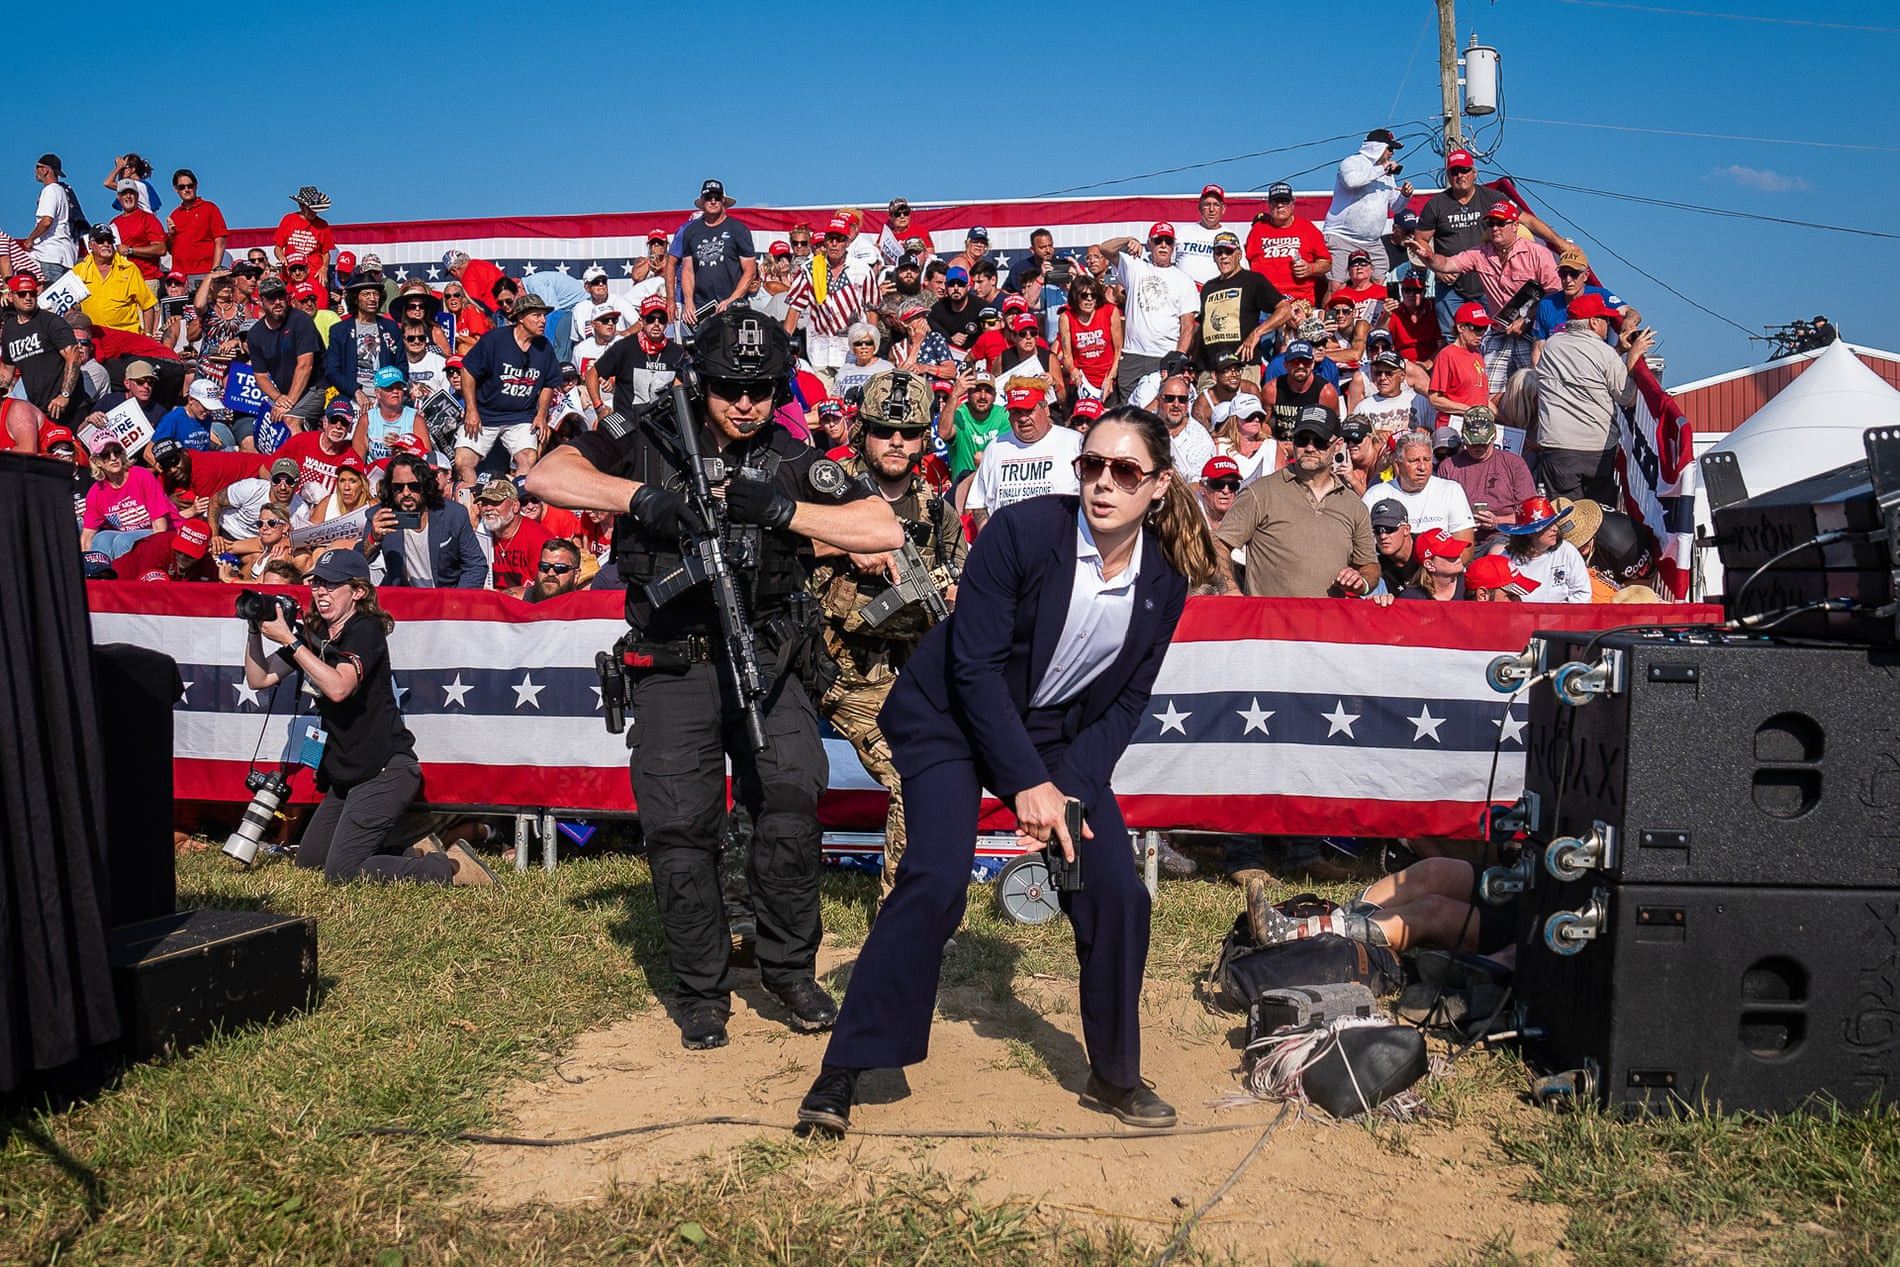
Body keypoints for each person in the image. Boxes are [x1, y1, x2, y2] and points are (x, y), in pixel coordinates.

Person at [797, 406, 1216, 1135]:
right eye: (1092, 465)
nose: (1104, 482)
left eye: (1125, 471)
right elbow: (974, 668)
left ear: (1158, 484)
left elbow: (1126, 700)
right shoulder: (1023, 532)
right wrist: (1027, 783)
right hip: (952, 718)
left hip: (1056, 739)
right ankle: (845, 1067)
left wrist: (1066, 787)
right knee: (934, 877)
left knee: (1116, 890)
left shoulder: (1165, 577)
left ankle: (1116, 1074)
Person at [524, 308, 901, 1051]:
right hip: (673, 664)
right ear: (702, 381)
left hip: (768, 661)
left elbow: (881, 528)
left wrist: (788, 511)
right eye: (731, 387)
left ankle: (789, 970)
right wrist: (640, 498)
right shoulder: (649, 436)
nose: (746, 404)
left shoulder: (789, 454)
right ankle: (701, 990)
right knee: (680, 827)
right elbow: (546, 475)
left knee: (790, 804)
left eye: (761, 389)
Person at [805, 371, 966, 908]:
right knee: (777, 781)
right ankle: (749, 908)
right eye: (883, 430)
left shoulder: (936, 511)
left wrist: (952, 594)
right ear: (863, 431)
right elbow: (774, 544)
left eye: (909, 433)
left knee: (913, 774)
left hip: (878, 677)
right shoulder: (825, 486)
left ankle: (903, 914)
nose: (897, 442)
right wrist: (847, 543)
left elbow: (958, 582)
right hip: (807, 659)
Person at [243, 548, 493, 887]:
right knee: (311, 860)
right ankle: (412, 852)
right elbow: (259, 679)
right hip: (346, 774)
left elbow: (339, 688)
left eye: (332, 585)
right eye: (316, 583)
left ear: (358, 591)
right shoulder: (315, 635)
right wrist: (254, 630)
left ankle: (448, 867)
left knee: (341, 873)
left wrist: (289, 640)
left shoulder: (366, 628)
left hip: (383, 770)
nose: (321, 592)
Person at [1212, 406, 1377, 598]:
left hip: (1328, 616)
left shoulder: (1354, 505)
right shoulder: (1260, 492)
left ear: (1338, 444)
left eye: (1320, 441)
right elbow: (1219, 545)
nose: (1310, 448)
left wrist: (1362, 582)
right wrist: (1230, 590)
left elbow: (1369, 565)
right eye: (1302, 439)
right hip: (1270, 616)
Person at [1531, 294, 1656, 503]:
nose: (1608, 326)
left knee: (1563, 514)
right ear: (1594, 322)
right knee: (1597, 514)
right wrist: (1632, 356)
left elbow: (1585, 366)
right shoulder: (1604, 353)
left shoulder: (1551, 346)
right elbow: (1627, 398)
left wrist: (1618, 351)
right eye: (1605, 319)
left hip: (1557, 446)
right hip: (1596, 449)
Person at [456, 291, 560, 487]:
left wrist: (541, 415)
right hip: (485, 414)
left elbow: (549, 382)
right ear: (520, 317)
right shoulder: (495, 339)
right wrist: (471, 410)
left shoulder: (544, 347)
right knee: (463, 462)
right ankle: (472, 501)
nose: (543, 320)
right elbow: (468, 371)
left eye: (544, 315)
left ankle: (515, 499)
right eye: (536, 315)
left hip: (521, 416)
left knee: (528, 458)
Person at [965, 379, 1083, 535]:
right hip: (1007, 544)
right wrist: (989, 535)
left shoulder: (1074, 443)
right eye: (1016, 412)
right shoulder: (995, 447)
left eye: (1029, 410)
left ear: (1046, 409)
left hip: (1059, 541)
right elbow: (978, 502)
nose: (1023, 418)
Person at [363, 451, 487, 588]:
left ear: (426, 486)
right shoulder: (381, 516)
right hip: (403, 595)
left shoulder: (453, 514)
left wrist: (456, 598)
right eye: (398, 487)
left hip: (445, 595)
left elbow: (476, 565)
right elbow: (358, 562)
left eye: (414, 486)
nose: (406, 493)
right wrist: (373, 538)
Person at [1099, 224, 1197, 390]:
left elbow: (1187, 326)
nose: (1163, 245)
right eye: (1158, 241)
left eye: (1168, 241)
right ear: (1150, 244)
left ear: (1174, 246)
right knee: (1129, 406)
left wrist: (1178, 357)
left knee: (1159, 404)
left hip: (1164, 356)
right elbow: (1105, 249)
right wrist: (1128, 240)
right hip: (1132, 355)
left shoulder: (1184, 281)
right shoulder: (1135, 267)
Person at [1321, 129, 1414, 284]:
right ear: (1376, 147)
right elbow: (1351, 181)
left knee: (1379, 280)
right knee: (1336, 285)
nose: (1392, 153)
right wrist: (1382, 170)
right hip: (1341, 237)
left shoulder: (1386, 175)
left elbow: (1395, 207)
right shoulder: (1352, 162)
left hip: (1372, 242)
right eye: (1390, 148)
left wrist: (1405, 195)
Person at [1195, 231, 1290, 377]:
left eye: (1228, 251)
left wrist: (1256, 333)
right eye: (1219, 252)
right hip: (1210, 370)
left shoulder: (1253, 280)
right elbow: (1201, 328)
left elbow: (1285, 310)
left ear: (1239, 254)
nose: (1223, 256)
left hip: (1243, 366)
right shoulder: (1208, 287)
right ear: (1214, 257)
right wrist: (1195, 363)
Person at [1434, 406, 1535, 542]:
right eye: (1473, 443)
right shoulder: (1448, 466)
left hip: (1503, 535)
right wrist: (1462, 524)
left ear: (1495, 435)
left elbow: (1531, 513)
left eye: (1484, 442)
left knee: (1498, 549)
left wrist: (1497, 521)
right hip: (1460, 537)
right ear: (1464, 437)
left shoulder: (1514, 463)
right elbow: (1439, 514)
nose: (1479, 447)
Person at [1360, 430, 1475, 542]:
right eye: (1414, 461)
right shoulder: (1375, 495)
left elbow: (1465, 544)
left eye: (1427, 460)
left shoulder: (1451, 491)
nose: (1422, 467)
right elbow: (1362, 541)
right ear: (1398, 464)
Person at [246, 275, 326, 429]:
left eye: (281, 296)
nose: (277, 302)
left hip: (316, 387)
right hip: (286, 393)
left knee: (289, 421)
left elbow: (305, 366)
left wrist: (288, 403)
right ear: (261, 301)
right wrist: (278, 398)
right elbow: (261, 376)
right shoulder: (255, 334)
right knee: (267, 423)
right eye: (271, 298)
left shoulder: (301, 320)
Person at [1, 274, 86, 419]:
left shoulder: (51, 322)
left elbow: (74, 358)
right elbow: (7, 370)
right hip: (38, 408)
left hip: (69, 406)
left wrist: (64, 395)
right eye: (22, 294)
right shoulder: (9, 330)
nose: (28, 298)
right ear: (10, 296)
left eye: (32, 293)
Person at [678, 178, 757, 326]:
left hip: (734, 308)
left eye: (717, 197)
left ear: (723, 200)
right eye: (709, 197)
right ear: (702, 200)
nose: (713, 201)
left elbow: (750, 271)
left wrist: (732, 300)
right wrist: (688, 302)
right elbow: (687, 270)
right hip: (702, 309)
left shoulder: (739, 229)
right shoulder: (690, 232)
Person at [589, 294, 685, 411]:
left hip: (662, 419)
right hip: (627, 419)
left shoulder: (676, 353)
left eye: (662, 319)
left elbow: (679, 391)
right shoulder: (624, 347)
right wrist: (599, 407)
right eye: (650, 319)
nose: (656, 324)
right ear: (642, 321)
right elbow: (592, 374)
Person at [81, 434, 171, 556]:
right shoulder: (96, 492)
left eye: (116, 451)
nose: (113, 458)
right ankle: (99, 569)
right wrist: (87, 562)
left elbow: (160, 528)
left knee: (123, 541)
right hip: (127, 535)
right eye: (105, 455)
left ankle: (126, 569)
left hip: (161, 532)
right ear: (97, 462)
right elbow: (87, 537)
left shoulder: (142, 476)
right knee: (101, 538)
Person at [1244, 182, 1329, 308]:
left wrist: (1311, 268)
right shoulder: (1257, 230)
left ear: (1292, 203)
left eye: (1284, 201)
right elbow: (1245, 264)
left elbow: (1327, 263)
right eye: (1275, 202)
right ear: (1269, 204)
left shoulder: (1307, 228)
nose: (1280, 206)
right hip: (1264, 301)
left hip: (1299, 302)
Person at [1492, 496, 1592, 602]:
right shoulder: (1507, 560)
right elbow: (1502, 597)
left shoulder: (1567, 551)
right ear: (1529, 533)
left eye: (1554, 523)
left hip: (1563, 612)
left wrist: (1558, 611)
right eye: (1547, 525)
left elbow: (1583, 595)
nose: (1555, 528)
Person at [326, 276, 407, 407]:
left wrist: (388, 391)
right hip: (351, 398)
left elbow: (402, 366)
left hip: (386, 397)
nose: (372, 298)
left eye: (375, 294)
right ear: (355, 299)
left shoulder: (391, 327)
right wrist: (356, 392)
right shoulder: (340, 330)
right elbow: (332, 371)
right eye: (366, 294)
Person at [473, 474, 552, 597]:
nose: (488, 508)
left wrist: (501, 596)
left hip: (527, 603)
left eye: (495, 502)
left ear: (515, 506)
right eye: (484, 503)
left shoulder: (538, 537)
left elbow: (546, 588)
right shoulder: (482, 533)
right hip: (490, 600)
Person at [73, 225, 156, 334]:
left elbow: (148, 305)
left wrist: (148, 335)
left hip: (126, 336)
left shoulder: (129, 269)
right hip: (94, 336)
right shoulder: (78, 271)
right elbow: (68, 306)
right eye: (100, 241)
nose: (106, 244)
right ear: (90, 245)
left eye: (109, 240)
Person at [164, 169, 227, 286]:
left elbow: (220, 240)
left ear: (196, 186)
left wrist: (214, 270)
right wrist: (171, 235)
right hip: (179, 275)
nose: (186, 190)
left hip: (203, 272)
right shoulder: (174, 214)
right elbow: (171, 250)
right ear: (176, 189)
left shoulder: (210, 208)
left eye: (190, 186)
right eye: (182, 187)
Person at [273, 187, 336, 293]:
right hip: (292, 273)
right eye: (310, 208)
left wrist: (324, 268)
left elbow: (325, 253)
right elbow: (278, 247)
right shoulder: (289, 219)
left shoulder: (323, 225)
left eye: (315, 209)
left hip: (314, 274)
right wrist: (281, 257)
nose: (313, 212)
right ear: (301, 205)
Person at [524, 538, 586, 602]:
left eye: (560, 568)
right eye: (544, 566)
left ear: (576, 574)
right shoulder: (524, 600)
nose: (550, 573)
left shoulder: (584, 606)